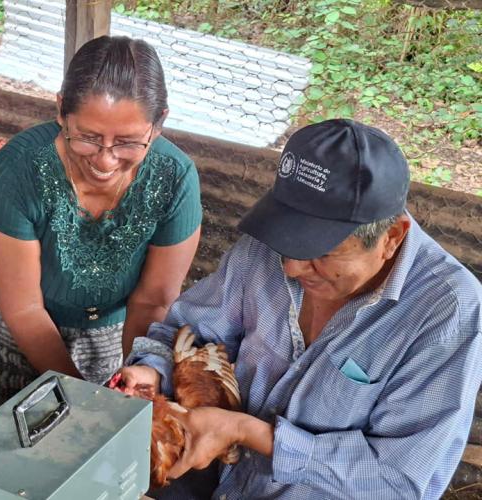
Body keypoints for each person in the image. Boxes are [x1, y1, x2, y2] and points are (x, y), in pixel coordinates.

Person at [120, 119, 482, 499]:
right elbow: (191, 328)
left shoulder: (447, 313)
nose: (291, 267)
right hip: (216, 475)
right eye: (288, 243)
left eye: (321, 253)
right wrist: (153, 369)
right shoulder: (272, 244)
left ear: (391, 238)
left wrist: (251, 433)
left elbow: (395, 482)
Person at [0, 35, 202, 425]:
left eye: (127, 143)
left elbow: (152, 302)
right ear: (61, 110)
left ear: (158, 125)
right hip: (16, 335)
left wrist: (134, 372)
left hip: (115, 334)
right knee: (0, 455)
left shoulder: (175, 177)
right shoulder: (18, 171)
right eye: (88, 137)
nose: (105, 160)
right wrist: (82, 400)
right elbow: (23, 308)